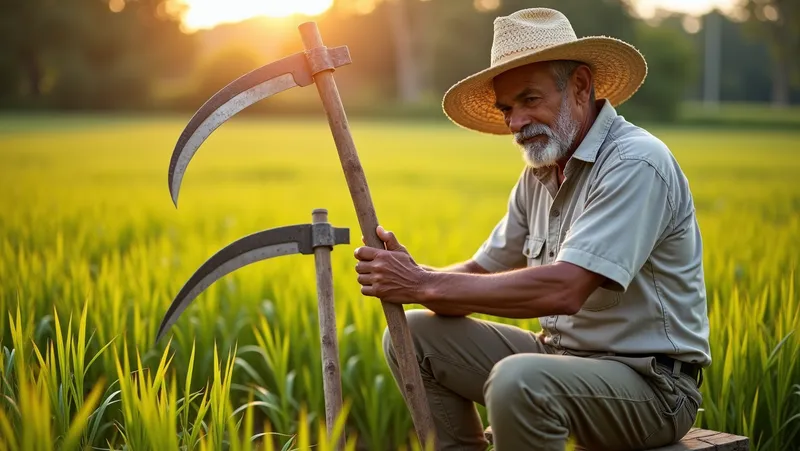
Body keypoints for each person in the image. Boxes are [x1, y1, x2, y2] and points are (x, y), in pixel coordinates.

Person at [353, 7, 711, 451]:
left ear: (580, 86)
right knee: (412, 335)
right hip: (560, 361)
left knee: (519, 380)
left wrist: (423, 283)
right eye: (507, 109)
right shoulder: (539, 176)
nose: (515, 123)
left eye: (529, 100)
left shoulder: (635, 163)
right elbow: (483, 271)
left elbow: (564, 289)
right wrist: (413, 275)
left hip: (652, 390)